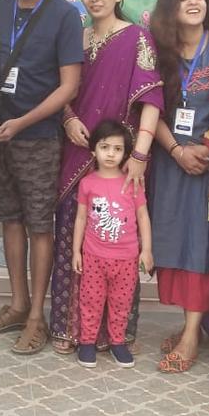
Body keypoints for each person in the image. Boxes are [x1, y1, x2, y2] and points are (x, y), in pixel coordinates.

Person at [0, 0, 84, 355]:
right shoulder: (0, 7)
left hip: (38, 137)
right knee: (11, 220)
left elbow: (69, 87)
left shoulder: (63, 15)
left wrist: (22, 122)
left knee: (41, 225)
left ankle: (38, 315)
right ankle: (18, 304)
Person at [49, 0, 162, 355]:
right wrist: (68, 119)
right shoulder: (74, 41)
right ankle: (70, 328)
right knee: (73, 239)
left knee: (117, 243)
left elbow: (151, 101)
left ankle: (115, 333)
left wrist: (141, 155)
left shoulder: (137, 38)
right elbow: (62, 91)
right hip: (78, 152)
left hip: (119, 160)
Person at [148, 0, 209, 373]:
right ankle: (189, 325)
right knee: (176, 243)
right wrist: (177, 150)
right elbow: (150, 108)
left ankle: (192, 335)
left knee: (202, 245)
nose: (194, 2)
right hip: (170, 161)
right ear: (169, 8)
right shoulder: (157, 50)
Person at [71, 120, 153, 368]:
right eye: (105, 147)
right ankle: (87, 342)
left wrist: (146, 249)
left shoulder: (133, 182)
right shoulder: (87, 183)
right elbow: (82, 217)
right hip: (94, 256)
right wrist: (76, 251)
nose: (110, 154)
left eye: (117, 149)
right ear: (93, 150)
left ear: (126, 154)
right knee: (90, 301)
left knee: (121, 303)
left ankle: (118, 342)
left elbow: (143, 216)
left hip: (126, 258)